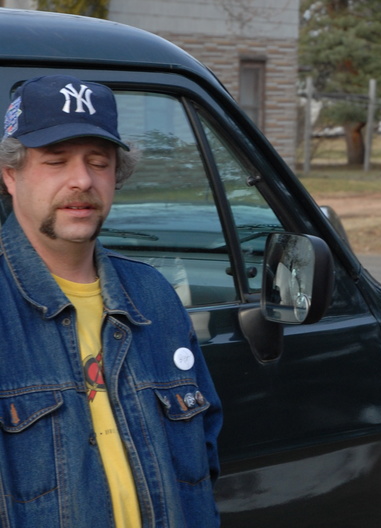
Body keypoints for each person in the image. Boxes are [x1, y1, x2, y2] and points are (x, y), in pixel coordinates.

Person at [0, 75, 222, 527]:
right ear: (10, 174)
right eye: (56, 161)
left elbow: (203, 461)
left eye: (99, 162)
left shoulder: (155, 299)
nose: (81, 180)